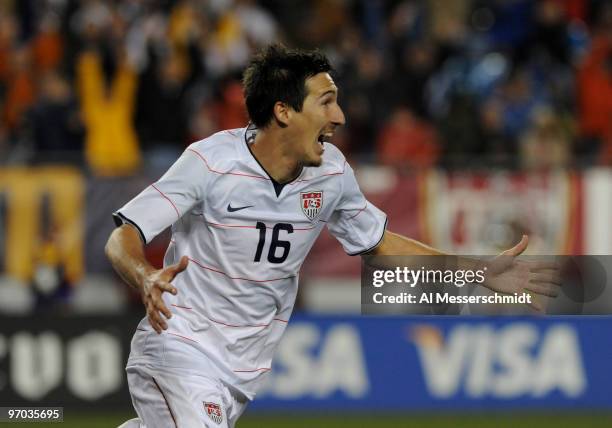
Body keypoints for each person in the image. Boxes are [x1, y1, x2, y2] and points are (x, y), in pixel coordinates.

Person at [105, 44, 560, 428]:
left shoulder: (332, 175)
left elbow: (380, 246)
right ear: (283, 111)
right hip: (179, 344)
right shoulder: (208, 163)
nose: (339, 116)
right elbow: (124, 235)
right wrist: (145, 276)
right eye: (325, 101)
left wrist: (478, 272)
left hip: (243, 370)